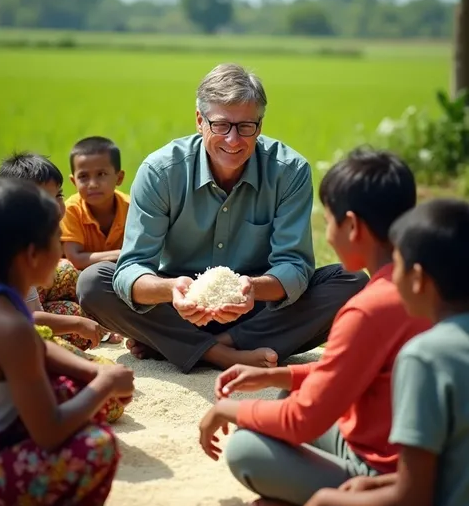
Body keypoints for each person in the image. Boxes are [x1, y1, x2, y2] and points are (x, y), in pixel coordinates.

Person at [198, 147, 431, 506]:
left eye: (328, 221)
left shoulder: (367, 310)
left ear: (352, 226)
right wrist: (280, 376)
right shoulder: (423, 285)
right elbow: (350, 370)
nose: (328, 232)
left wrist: (228, 411)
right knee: (290, 393)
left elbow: (303, 422)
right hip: (415, 451)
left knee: (246, 447)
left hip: (390, 475)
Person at [77, 64, 368, 374]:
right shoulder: (160, 171)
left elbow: (294, 268)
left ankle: (192, 345)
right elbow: (132, 267)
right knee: (93, 283)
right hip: (178, 305)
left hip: (258, 306)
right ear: (200, 120)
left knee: (353, 282)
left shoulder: (290, 171)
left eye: (246, 127)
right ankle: (221, 355)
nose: (233, 140)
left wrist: (251, 289)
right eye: (221, 125)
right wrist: (173, 289)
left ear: (260, 124)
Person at [297, 198, 469, 506]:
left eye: (399, 266)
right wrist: (379, 486)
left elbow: (412, 503)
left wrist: (329, 500)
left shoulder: (426, 355)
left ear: (418, 280)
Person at [0, 177, 134, 506]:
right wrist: (104, 385)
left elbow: (37, 346)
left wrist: (94, 372)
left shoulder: (6, 305)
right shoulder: (8, 327)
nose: (62, 250)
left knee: (68, 387)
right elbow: (50, 433)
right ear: (32, 255)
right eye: (56, 240)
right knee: (97, 445)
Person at [0, 152, 104, 351]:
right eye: (45, 200)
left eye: (59, 196)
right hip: (19, 319)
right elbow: (23, 319)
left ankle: (96, 323)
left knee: (69, 273)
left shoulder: (29, 237)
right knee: (76, 318)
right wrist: (78, 324)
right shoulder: (14, 253)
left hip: (28, 303)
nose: (57, 207)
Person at [62, 136, 129, 345]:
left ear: (119, 177)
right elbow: (75, 258)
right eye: (83, 177)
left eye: (101, 174)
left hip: (117, 277)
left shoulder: (131, 207)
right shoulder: (71, 209)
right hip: (79, 282)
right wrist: (120, 254)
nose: (92, 184)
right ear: (73, 181)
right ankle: (103, 326)